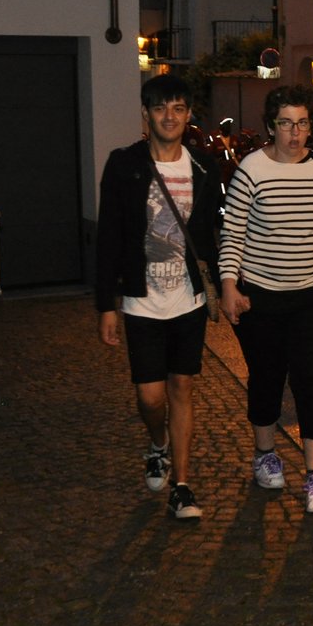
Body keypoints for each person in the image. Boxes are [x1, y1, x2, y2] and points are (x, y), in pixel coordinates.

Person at [219, 85, 313, 514]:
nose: (295, 133)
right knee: (266, 375)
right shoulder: (251, 169)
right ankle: (265, 453)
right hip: (262, 294)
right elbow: (233, 232)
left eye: (302, 124)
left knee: (312, 379)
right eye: (286, 123)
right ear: (270, 126)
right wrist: (229, 285)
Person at [95, 74, 223, 520]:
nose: (170, 117)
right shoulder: (124, 165)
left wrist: (225, 285)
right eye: (160, 108)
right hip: (141, 301)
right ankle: (157, 444)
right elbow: (108, 237)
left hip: (187, 298)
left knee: (182, 387)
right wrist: (105, 305)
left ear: (188, 115)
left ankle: (183, 486)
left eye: (178, 108)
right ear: (146, 115)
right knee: (151, 398)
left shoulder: (205, 168)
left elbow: (210, 235)